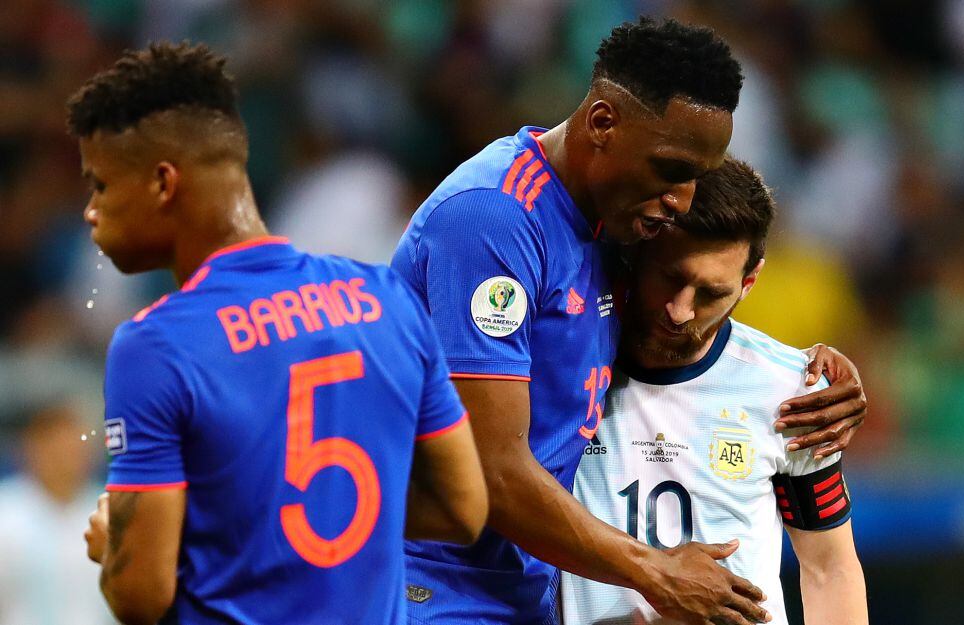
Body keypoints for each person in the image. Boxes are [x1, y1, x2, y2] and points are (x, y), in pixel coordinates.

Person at [391, 17, 867, 625]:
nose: (681, 200)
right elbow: (491, 467)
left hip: (523, 589)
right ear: (602, 123)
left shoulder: (610, 222)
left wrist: (810, 370)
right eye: (670, 170)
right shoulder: (495, 219)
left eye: (695, 178)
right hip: (436, 588)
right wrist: (655, 571)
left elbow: (678, 329)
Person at [69, 42, 487, 625]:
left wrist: (116, 545)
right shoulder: (385, 297)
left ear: (163, 183)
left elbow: (141, 596)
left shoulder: (155, 345)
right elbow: (464, 509)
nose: (91, 210)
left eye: (101, 185)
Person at [562, 159, 867, 625]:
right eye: (671, 278)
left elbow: (829, 568)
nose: (680, 311)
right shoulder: (559, 368)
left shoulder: (791, 389)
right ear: (637, 253)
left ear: (748, 283)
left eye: (710, 293)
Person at [0, 401, 114, 625]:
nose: (66, 453)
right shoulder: (6, 512)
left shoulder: (108, 509)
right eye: (55, 444)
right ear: (31, 447)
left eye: (75, 443)